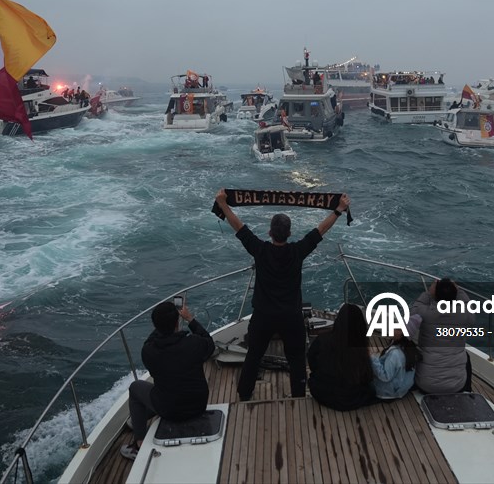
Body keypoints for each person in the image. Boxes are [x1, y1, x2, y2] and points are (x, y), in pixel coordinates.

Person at [214, 188, 350, 401]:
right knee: (296, 358)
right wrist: (338, 210)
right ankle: (298, 395)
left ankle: (244, 394)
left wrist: (223, 204)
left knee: (254, 355)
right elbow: (320, 230)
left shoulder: (260, 250)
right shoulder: (297, 251)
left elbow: (238, 226)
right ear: (289, 233)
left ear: (270, 232)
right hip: (291, 316)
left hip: (263, 316)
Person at [121, 299, 215, 460]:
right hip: (198, 405)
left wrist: (162, 326)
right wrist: (190, 319)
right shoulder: (194, 343)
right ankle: (139, 427)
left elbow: (151, 341)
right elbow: (209, 343)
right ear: (177, 322)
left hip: (169, 410)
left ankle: (139, 443)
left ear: (155, 325)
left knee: (136, 388)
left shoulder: (149, 351)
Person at [307, 303, 378, 410]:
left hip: (323, 394)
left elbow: (311, 362)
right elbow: (366, 376)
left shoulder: (321, 340)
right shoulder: (359, 347)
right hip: (352, 398)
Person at [412, 278, 475, 394]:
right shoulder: (465, 315)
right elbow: (468, 305)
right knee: (466, 356)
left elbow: (415, 308)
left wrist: (428, 293)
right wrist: (458, 290)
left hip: (425, 385)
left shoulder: (425, 312)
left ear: (435, 293)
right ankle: (467, 390)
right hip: (456, 386)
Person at [370, 314, 421, 400]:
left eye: (397, 328)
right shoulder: (411, 349)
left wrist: (372, 358)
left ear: (403, 334)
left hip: (386, 393)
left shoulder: (395, 354)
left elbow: (385, 376)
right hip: (401, 390)